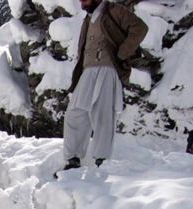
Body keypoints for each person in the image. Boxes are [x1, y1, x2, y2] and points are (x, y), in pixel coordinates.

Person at [60, 0, 148, 172]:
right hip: (88, 70)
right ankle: (74, 158)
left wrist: (122, 53)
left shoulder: (114, 10)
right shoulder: (88, 18)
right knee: (75, 113)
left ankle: (101, 159)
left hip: (108, 68)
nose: (82, 3)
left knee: (103, 113)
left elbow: (140, 28)